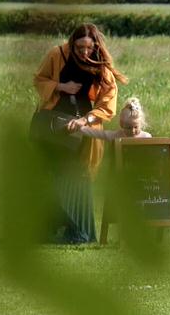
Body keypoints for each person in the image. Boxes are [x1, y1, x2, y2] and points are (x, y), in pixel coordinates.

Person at [31, 23, 126, 244]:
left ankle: (80, 232)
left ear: (96, 46)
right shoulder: (57, 54)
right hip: (51, 126)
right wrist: (61, 87)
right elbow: (39, 79)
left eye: (88, 48)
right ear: (72, 43)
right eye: (80, 47)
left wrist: (85, 120)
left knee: (77, 178)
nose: (84, 52)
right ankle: (51, 228)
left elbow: (107, 103)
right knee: (50, 177)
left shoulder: (101, 66)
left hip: (83, 130)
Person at [77, 96, 150, 141]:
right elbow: (100, 134)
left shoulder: (146, 137)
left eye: (136, 127)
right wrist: (80, 128)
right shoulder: (117, 136)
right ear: (122, 124)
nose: (133, 130)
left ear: (141, 123)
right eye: (128, 128)